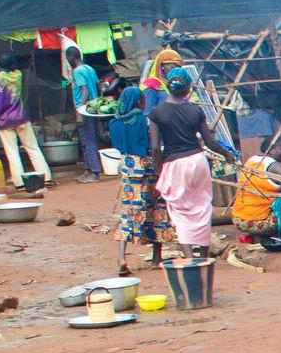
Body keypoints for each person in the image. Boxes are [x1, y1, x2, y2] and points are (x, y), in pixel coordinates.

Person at [146, 67, 226, 255]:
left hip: (174, 164)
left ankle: (190, 258)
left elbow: (156, 147)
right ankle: (204, 257)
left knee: (180, 211)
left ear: (167, 86)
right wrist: (228, 154)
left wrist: (160, 171)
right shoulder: (196, 110)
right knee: (202, 208)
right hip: (198, 162)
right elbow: (210, 142)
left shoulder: (157, 113)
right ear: (188, 88)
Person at [0, 46, 53, 188]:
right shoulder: (17, 74)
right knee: (33, 149)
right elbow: (2, 66)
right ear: (13, 66)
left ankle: (19, 183)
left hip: (4, 121)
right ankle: (46, 178)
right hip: (21, 118)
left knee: (13, 153)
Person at [107, 85, 167, 275]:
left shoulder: (114, 124)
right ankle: (157, 257)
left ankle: (122, 257)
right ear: (139, 102)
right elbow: (155, 145)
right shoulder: (146, 121)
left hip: (127, 168)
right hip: (148, 166)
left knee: (129, 210)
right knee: (156, 209)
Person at [64, 46, 101, 184]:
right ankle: (88, 171)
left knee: (89, 141)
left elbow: (84, 90)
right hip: (94, 109)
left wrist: (80, 111)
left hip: (85, 110)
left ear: (70, 58)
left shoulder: (78, 71)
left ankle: (95, 173)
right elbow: (98, 87)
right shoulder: (89, 69)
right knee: (87, 141)